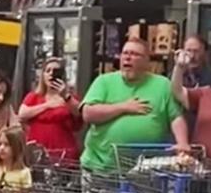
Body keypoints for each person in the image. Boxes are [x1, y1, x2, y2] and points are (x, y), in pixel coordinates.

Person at [80, 38, 189, 172]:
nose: (128, 58)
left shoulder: (163, 85)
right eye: (125, 53)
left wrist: (182, 143)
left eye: (134, 54)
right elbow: (88, 114)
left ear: (147, 61)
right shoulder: (104, 81)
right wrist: (123, 107)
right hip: (101, 168)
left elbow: (176, 117)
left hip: (146, 172)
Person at [18, 58, 81, 162]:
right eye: (48, 71)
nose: (51, 74)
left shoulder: (70, 98)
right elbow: (22, 114)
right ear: (43, 75)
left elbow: (79, 113)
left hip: (64, 153)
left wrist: (65, 96)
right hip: (38, 153)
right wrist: (47, 105)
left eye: (56, 71)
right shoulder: (34, 96)